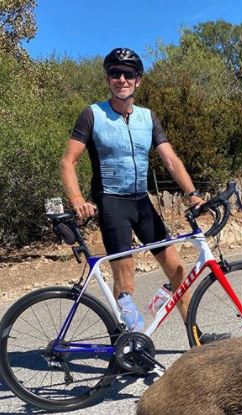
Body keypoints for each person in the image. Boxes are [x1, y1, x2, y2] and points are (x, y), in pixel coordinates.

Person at [60, 47, 223, 344]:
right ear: (108, 79)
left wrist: (193, 194)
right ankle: (128, 345)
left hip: (141, 202)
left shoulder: (148, 118)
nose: (121, 79)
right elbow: (67, 161)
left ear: (138, 81)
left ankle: (195, 337)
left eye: (128, 74)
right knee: (126, 281)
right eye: (115, 73)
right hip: (111, 202)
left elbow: (170, 160)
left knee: (176, 269)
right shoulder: (93, 114)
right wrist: (77, 200)